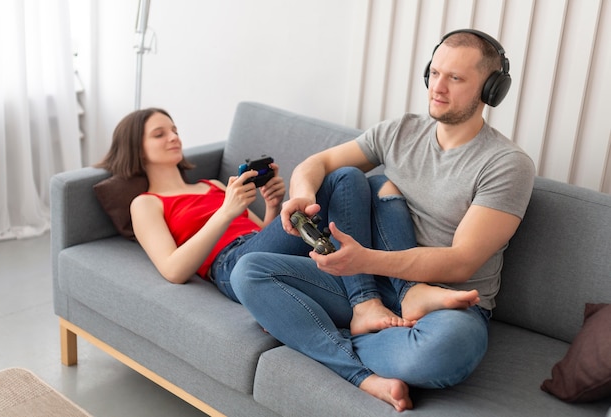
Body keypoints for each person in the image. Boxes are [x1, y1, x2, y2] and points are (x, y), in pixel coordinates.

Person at [230, 29, 536, 412]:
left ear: (491, 90)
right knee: (249, 272)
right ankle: (359, 361)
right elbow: (318, 164)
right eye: (435, 73)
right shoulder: (400, 131)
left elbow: (462, 261)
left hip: (446, 303)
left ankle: (309, 329)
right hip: (367, 285)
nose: (438, 88)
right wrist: (305, 194)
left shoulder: (506, 164)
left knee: (444, 353)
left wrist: (363, 261)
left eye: (455, 78)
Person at [96, 107, 416, 332]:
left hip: (257, 248)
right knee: (343, 176)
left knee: (364, 183)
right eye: (159, 134)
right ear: (137, 149)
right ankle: (368, 301)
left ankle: (401, 293)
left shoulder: (213, 186)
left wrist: (273, 207)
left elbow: (259, 236)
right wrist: (225, 213)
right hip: (229, 266)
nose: (174, 137)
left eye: (175, 130)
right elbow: (173, 269)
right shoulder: (146, 203)